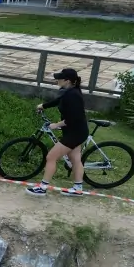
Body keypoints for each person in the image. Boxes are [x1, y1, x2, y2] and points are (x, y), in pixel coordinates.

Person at [26, 68, 89, 197]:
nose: (57, 80)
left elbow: (72, 119)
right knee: (75, 159)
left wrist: (56, 125)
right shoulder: (69, 92)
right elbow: (58, 101)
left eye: (60, 78)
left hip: (75, 132)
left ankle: (42, 187)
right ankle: (77, 188)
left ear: (68, 81)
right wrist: (43, 105)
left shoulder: (73, 95)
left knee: (51, 157)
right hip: (76, 131)